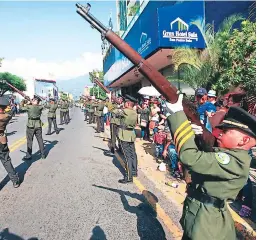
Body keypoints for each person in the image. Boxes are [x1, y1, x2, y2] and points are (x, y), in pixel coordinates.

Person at [165, 94, 256, 240]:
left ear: (244, 140)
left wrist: (178, 116)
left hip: (207, 223)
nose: (219, 133)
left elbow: (190, 157)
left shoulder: (234, 162)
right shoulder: (231, 156)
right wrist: (196, 137)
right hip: (202, 215)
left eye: (226, 131)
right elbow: (205, 160)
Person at [114, 94, 138, 183]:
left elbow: (113, 111)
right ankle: (134, 171)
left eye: (124, 103)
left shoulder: (125, 111)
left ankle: (129, 177)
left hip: (124, 135)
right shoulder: (134, 112)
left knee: (127, 156)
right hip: (131, 134)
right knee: (133, 154)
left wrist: (115, 103)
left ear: (127, 104)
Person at [0, 97, 20, 188]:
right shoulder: (7, 116)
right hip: (1, 140)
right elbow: (11, 110)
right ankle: (15, 180)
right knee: (6, 160)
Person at [21, 96, 45, 160]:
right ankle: (43, 154)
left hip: (30, 125)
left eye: (33, 99)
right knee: (40, 140)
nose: (32, 100)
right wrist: (30, 101)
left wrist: (23, 100)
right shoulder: (40, 107)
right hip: (38, 125)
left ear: (35, 100)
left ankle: (29, 155)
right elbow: (43, 105)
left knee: (29, 141)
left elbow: (21, 108)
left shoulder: (29, 107)